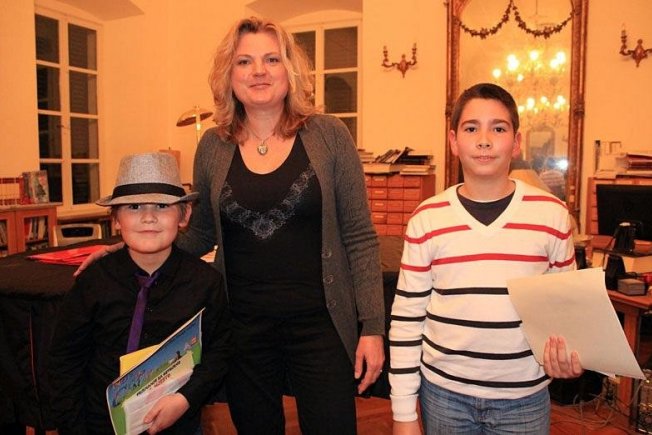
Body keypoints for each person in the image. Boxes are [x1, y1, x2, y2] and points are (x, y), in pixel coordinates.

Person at [76, 16, 385, 435]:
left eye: (271, 59)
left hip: (321, 326)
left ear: (290, 69)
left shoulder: (329, 134)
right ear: (229, 74)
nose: (259, 71)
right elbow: (200, 233)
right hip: (242, 328)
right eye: (244, 61)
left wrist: (372, 327)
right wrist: (124, 252)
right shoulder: (213, 145)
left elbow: (360, 237)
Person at [388, 83, 583, 435]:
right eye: (471, 128)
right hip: (444, 396)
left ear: (516, 142)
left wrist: (571, 352)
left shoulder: (552, 215)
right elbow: (407, 320)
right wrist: (403, 414)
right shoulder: (426, 219)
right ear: (453, 141)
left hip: (524, 398)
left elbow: (567, 310)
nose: (484, 140)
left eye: (498, 128)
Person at [49, 152, 231, 434]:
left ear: (184, 215)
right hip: (99, 423)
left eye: (162, 205)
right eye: (133, 206)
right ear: (115, 219)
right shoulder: (93, 283)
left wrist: (185, 399)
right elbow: (65, 360)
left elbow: (219, 351)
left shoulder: (205, 282)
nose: (148, 217)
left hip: (178, 423)